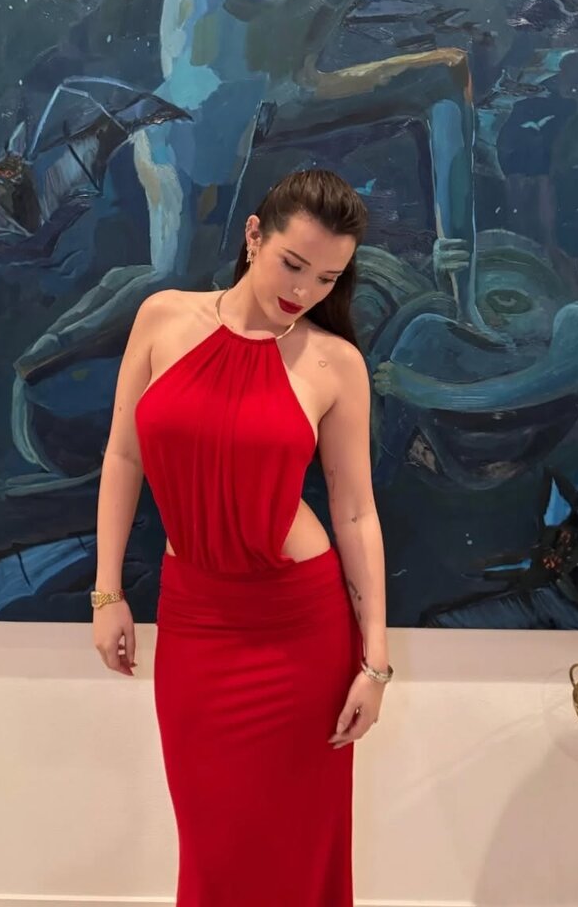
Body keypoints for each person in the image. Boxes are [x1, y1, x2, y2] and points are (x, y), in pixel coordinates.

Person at [92, 169, 392, 907]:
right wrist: (107, 593)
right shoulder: (162, 317)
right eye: (294, 264)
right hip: (196, 620)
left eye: (327, 279)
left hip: (299, 630)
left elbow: (356, 513)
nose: (304, 290)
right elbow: (123, 457)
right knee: (214, 844)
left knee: (296, 844)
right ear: (254, 235)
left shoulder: (334, 363)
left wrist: (375, 661)